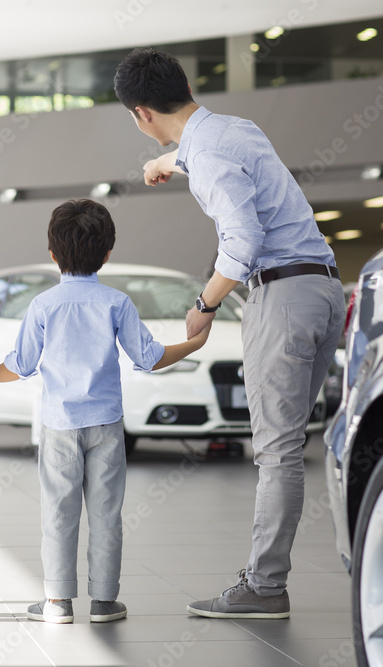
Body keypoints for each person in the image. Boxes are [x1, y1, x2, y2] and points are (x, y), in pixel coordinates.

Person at [113, 48, 345, 619]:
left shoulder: (209, 155)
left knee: (277, 450)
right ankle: (313, 568)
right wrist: (172, 160)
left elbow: (242, 240)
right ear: (185, 86)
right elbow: (228, 167)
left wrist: (204, 305)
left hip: (282, 297)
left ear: (141, 114)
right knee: (297, 443)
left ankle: (265, 587)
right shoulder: (235, 130)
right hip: (323, 288)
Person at [0, 199, 211, 624]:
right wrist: (194, 343)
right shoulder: (117, 302)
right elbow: (148, 358)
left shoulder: (43, 306)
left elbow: (20, 366)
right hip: (107, 425)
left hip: (58, 426)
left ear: (52, 254)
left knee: (57, 511)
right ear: (107, 254)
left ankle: (57, 603)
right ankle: (105, 601)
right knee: (107, 513)